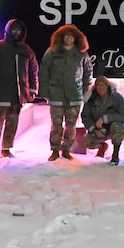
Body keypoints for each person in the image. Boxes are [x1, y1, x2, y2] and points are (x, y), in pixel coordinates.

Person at [0, 19, 38, 162]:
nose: (16, 33)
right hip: (0, 94)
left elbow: (33, 71)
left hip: (17, 95)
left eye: (19, 31)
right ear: (8, 31)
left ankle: (6, 149)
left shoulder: (26, 50)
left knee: (12, 123)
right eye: (13, 30)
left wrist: (32, 89)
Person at [38, 24, 93, 161]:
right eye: (66, 35)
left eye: (71, 36)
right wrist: (44, 91)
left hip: (74, 95)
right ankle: (55, 150)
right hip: (56, 94)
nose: (69, 38)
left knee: (71, 125)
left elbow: (88, 73)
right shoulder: (52, 52)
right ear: (61, 37)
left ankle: (67, 149)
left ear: (76, 39)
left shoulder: (81, 54)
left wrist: (86, 90)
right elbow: (44, 71)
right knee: (56, 124)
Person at [80, 75, 124, 165]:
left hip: (114, 126)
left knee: (117, 127)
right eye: (98, 85)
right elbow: (85, 116)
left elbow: (123, 114)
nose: (101, 87)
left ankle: (115, 155)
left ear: (107, 86)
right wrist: (94, 130)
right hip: (99, 129)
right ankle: (102, 146)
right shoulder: (91, 99)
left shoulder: (117, 97)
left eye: (103, 85)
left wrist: (105, 118)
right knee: (87, 142)